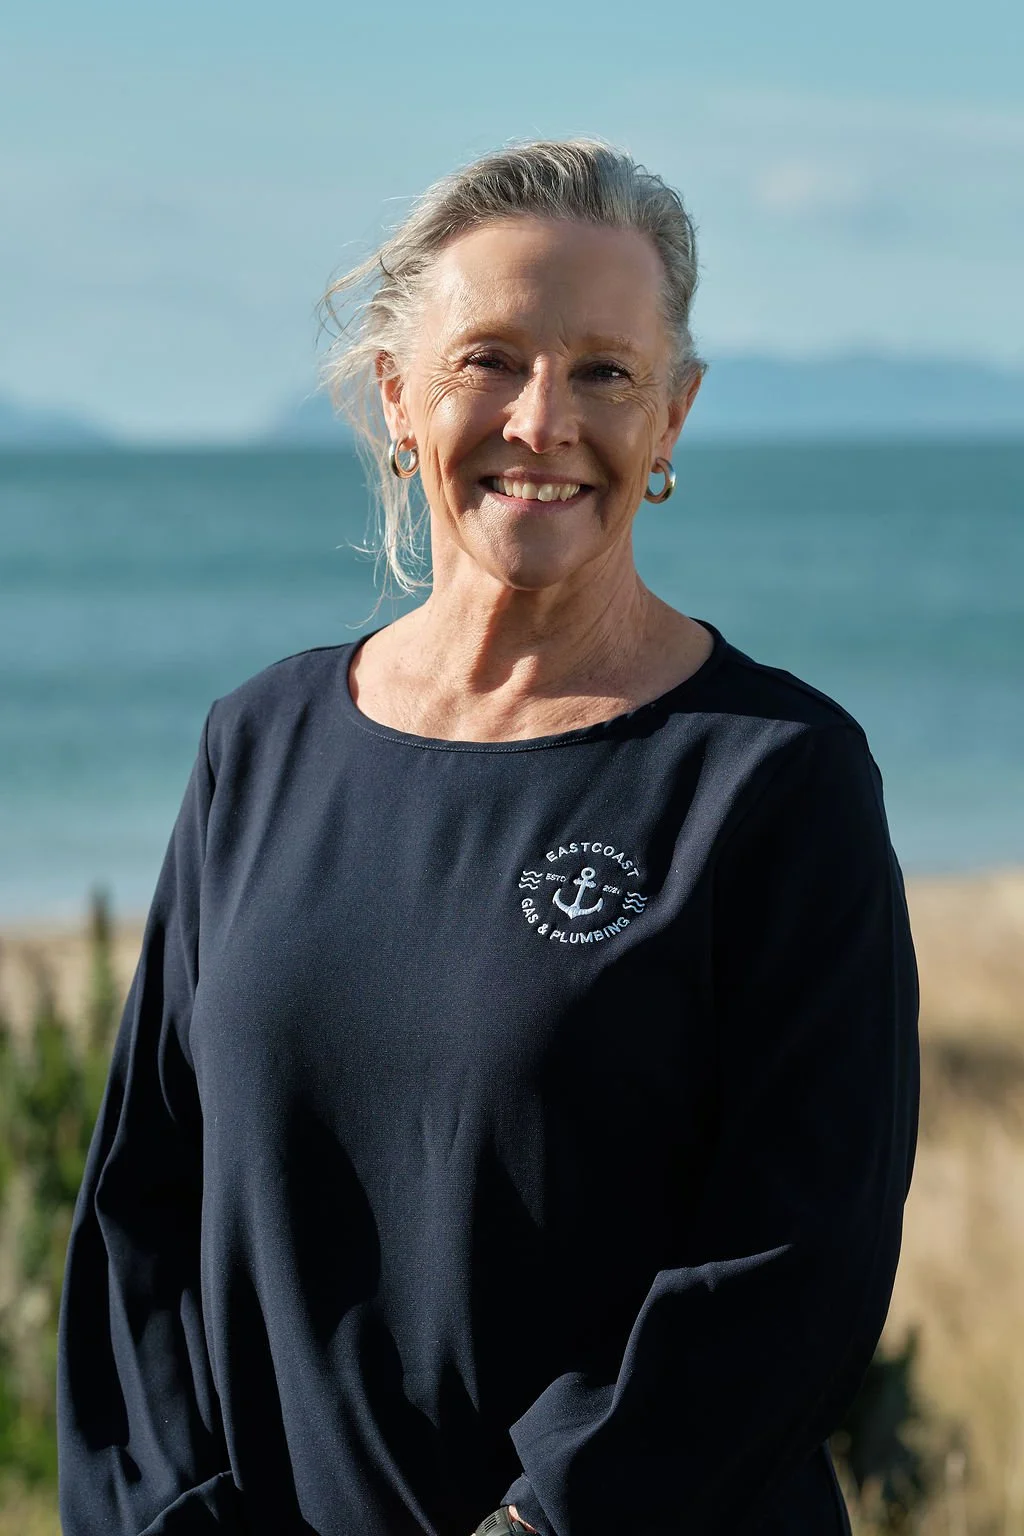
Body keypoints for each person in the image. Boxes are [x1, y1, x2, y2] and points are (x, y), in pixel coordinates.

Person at [57, 139, 919, 1536]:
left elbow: (792, 1267)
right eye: (491, 359)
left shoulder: (775, 781)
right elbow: (143, 1220)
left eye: (604, 372)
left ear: (675, 418)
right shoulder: (259, 747)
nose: (542, 421)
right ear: (398, 395)